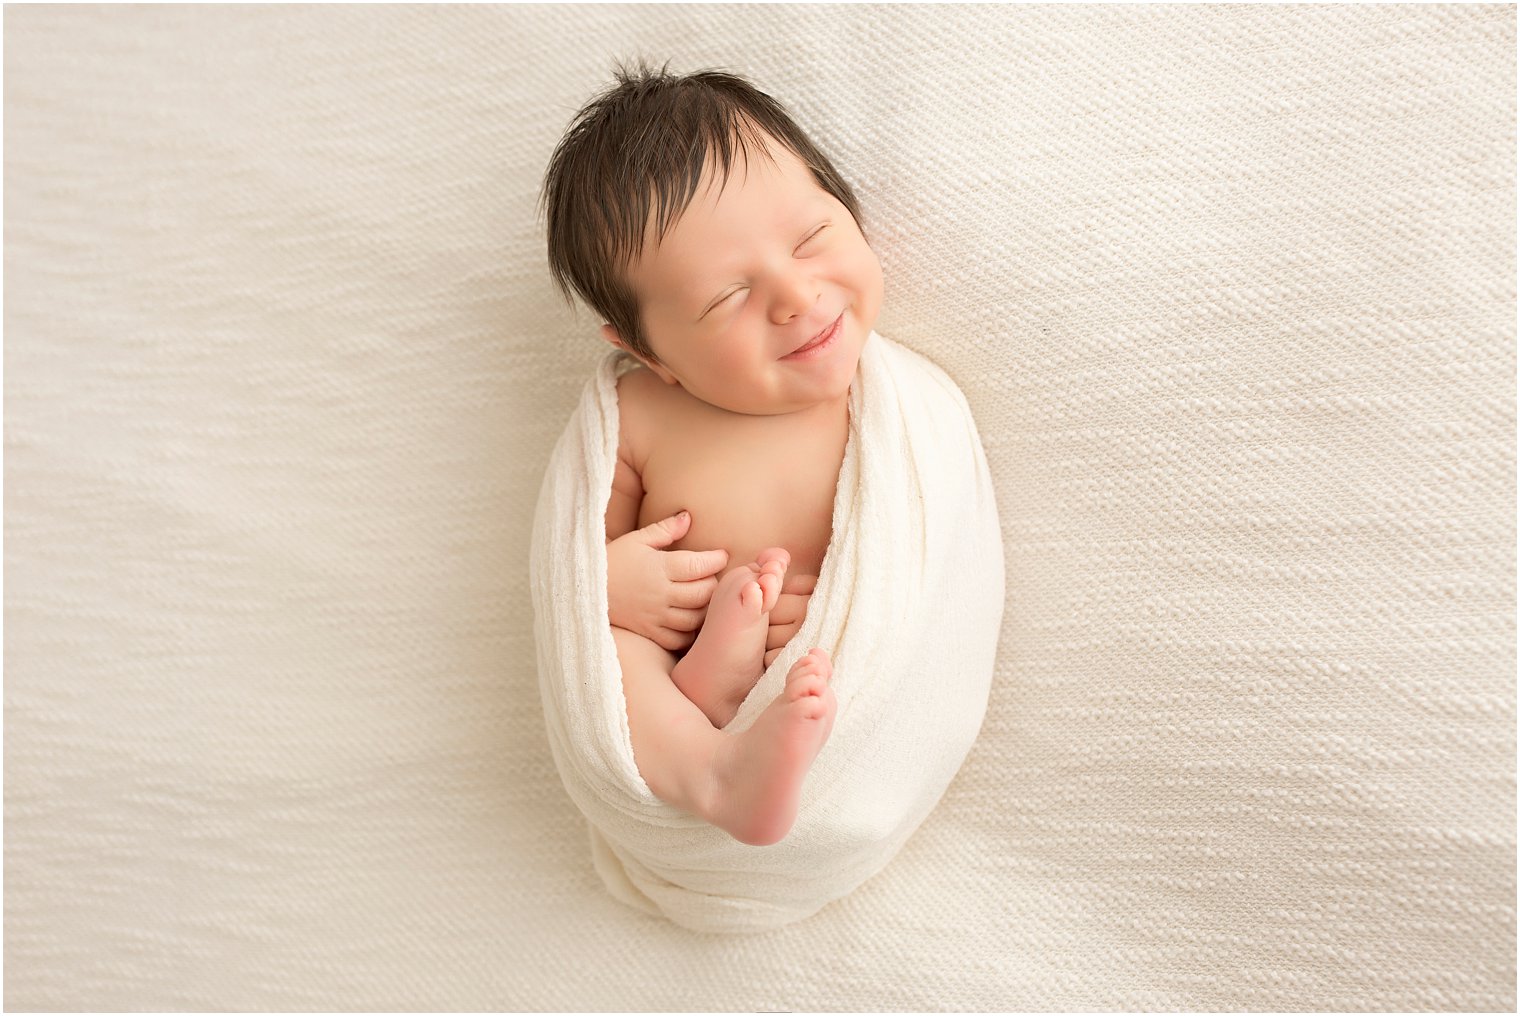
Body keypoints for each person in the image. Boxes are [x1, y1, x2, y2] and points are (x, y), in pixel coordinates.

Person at [541, 62, 885, 846]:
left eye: (811, 237)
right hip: (675, 680)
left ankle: (740, 711)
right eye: (728, 297)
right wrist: (604, 588)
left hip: (820, 694)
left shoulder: (902, 413)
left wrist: (837, 609)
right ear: (647, 351)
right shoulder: (636, 417)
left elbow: (928, 561)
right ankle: (713, 771)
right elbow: (565, 570)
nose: (795, 296)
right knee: (618, 665)